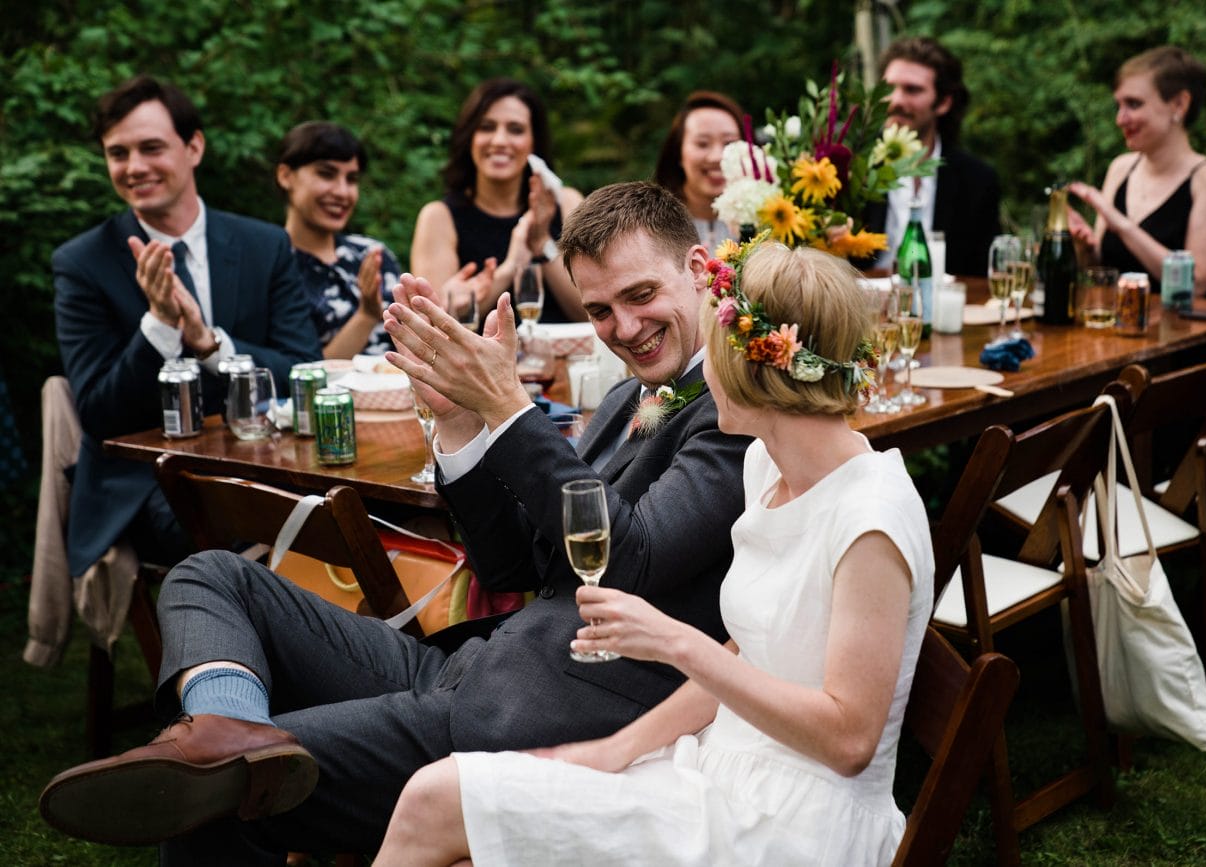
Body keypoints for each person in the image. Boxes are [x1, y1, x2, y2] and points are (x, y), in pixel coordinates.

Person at [39, 182, 750, 863]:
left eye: (640, 295)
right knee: (211, 575)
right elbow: (516, 568)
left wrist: (510, 410)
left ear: (697, 267)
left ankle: (228, 752)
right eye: (600, 310)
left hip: (537, 712)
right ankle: (227, 725)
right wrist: (463, 424)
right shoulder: (630, 394)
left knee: (217, 793)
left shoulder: (739, 414)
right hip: (460, 667)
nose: (622, 328)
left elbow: (631, 560)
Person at [372, 241, 935, 865]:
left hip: (796, 817)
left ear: (756, 362)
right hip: (715, 761)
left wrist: (673, 641)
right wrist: (613, 752)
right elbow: (751, 651)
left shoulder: (870, 517)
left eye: (714, 349)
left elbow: (850, 739)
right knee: (453, 815)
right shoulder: (763, 469)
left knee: (434, 798)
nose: (697, 375)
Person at [52, 74, 319, 578]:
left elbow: (304, 370)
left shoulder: (263, 245)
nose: (134, 167)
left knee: (363, 510)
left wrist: (208, 344)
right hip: (144, 484)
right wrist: (157, 326)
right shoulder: (83, 262)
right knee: (256, 525)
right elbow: (99, 413)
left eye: (151, 147)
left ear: (193, 147)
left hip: (269, 462)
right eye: (118, 153)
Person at [409, 78, 586, 322]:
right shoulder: (439, 217)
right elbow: (436, 325)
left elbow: (592, 312)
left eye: (516, 129)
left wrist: (542, 242)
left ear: (533, 142)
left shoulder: (566, 203)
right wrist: (511, 266)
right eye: (487, 127)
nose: (500, 141)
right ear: (469, 137)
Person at [1068, 46, 1206, 296]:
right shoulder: (1121, 168)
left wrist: (1123, 227)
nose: (1120, 119)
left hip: (1182, 332)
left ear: (1179, 104)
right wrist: (1086, 249)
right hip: (1117, 328)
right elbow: (1102, 272)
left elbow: (1196, 284)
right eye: (1119, 105)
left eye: (1133, 104)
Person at [867, 36, 1001, 277]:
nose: (896, 100)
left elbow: (981, 275)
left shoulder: (977, 180)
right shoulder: (850, 165)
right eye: (888, 88)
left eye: (912, 90)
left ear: (944, 102)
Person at [275, 121, 402, 357]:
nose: (342, 192)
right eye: (326, 174)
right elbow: (304, 374)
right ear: (285, 176)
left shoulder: (373, 253)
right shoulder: (273, 266)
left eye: (351, 179)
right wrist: (366, 316)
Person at [652, 90, 744, 251]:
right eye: (702, 143)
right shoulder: (652, 225)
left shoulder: (768, 224)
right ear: (678, 152)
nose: (717, 157)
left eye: (729, 143)